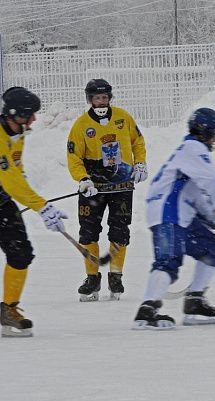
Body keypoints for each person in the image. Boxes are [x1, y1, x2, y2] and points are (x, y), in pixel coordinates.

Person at [132, 108, 215, 330]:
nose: (213, 140)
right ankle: (148, 308)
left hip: (180, 215)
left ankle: (194, 300)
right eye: (213, 134)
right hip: (167, 213)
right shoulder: (193, 148)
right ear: (204, 132)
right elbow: (212, 180)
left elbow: (198, 196)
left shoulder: (190, 156)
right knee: (169, 259)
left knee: (212, 248)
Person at [67, 79, 147, 302]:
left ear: (110, 98)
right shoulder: (81, 125)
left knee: (120, 230)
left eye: (104, 97)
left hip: (122, 186)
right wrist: (82, 179)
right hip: (92, 188)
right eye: (96, 98)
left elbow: (137, 142)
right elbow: (74, 157)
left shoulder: (124, 117)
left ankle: (116, 276)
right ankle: (92, 277)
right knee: (89, 232)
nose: (101, 102)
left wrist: (140, 163)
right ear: (89, 100)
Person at [0, 87, 68, 337]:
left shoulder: (18, 133)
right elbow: (8, 178)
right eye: (30, 115)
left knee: (21, 253)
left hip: (2, 201)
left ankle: (8, 309)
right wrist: (43, 206)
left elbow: (16, 172)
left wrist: (40, 203)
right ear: (14, 114)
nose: (35, 120)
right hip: (4, 191)